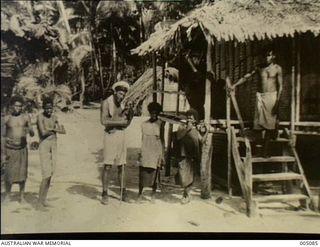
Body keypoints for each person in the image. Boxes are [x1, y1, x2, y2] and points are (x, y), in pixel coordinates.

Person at [229, 48, 283, 157]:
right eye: (265, 55)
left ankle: (265, 151)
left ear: (273, 56)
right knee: (258, 125)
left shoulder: (277, 69)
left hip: (272, 97)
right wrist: (235, 85)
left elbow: (280, 86)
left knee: (270, 125)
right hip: (260, 97)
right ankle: (258, 150)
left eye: (269, 55)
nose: (266, 57)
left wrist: (278, 101)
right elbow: (246, 76)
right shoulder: (259, 68)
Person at [100, 81, 133, 204]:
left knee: (122, 165)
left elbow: (127, 122)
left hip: (121, 135)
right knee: (108, 165)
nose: (122, 96)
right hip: (110, 135)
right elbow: (103, 121)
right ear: (115, 92)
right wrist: (120, 122)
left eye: (124, 94)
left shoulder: (124, 104)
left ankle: (123, 192)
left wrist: (130, 115)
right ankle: (104, 193)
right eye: (120, 94)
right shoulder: (106, 102)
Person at [3, 96, 35, 203]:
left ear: (22, 107)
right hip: (10, 149)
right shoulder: (6, 118)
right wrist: (3, 152)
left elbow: (32, 133)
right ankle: (8, 196)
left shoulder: (26, 118)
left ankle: (21, 196)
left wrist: (30, 129)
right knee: (9, 173)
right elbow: (2, 136)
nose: (18, 108)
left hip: (22, 149)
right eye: (16, 106)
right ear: (12, 106)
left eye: (20, 106)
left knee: (22, 173)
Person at [36, 98, 65, 209]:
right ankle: (39, 202)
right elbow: (43, 133)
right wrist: (55, 129)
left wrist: (51, 129)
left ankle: (43, 200)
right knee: (46, 174)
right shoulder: (40, 117)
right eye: (47, 108)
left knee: (50, 174)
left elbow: (63, 131)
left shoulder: (54, 117)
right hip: (44, 145)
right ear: (43, 107)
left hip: (54, 144)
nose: (49, 110)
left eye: (50, 108)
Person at [137, 102, 165, 202]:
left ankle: (153, 195)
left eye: (156, 113)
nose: (154, 115)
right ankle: (140, 194)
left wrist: (163, 155)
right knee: (142, 172)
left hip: (156, 150)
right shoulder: (144, 124)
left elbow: (162, 139)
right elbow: (142, 139)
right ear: (149, 112)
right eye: (152, 113)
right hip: (146, 150)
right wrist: (140, 152)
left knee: (155, 173)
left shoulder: (161, 124)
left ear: (157, 113)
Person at [175, 109, 202, 204]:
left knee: (190, 176)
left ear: (195, 119)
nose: (189, 119)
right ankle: (186, 193)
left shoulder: (196, 129)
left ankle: (186, 194)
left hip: (193, 155)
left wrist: (204, 131)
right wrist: (188, 128)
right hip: (183, 154)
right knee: (183, 175)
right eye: (188, 117)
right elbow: (178, 137)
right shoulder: (182, 126)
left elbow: (201, 140)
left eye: (192, 118)